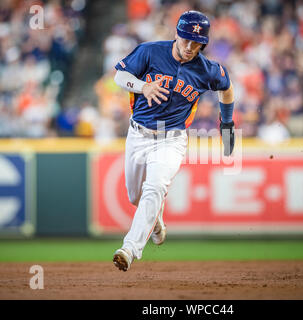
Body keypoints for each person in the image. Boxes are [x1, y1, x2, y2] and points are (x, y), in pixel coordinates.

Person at [112, 10, 235, 271]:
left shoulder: (207, 70)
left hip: (172, 139)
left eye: (197, 43)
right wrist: (142, 86)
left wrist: (226, 122)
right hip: (138, 133)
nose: (190, 47)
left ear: (204, 43)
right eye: (186, 40)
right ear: (177, 35)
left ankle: (129, 249)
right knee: (135, 196)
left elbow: (227, 88)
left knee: (155, 187)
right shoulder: (150, 51)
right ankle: (155, 221)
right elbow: (119, 76)